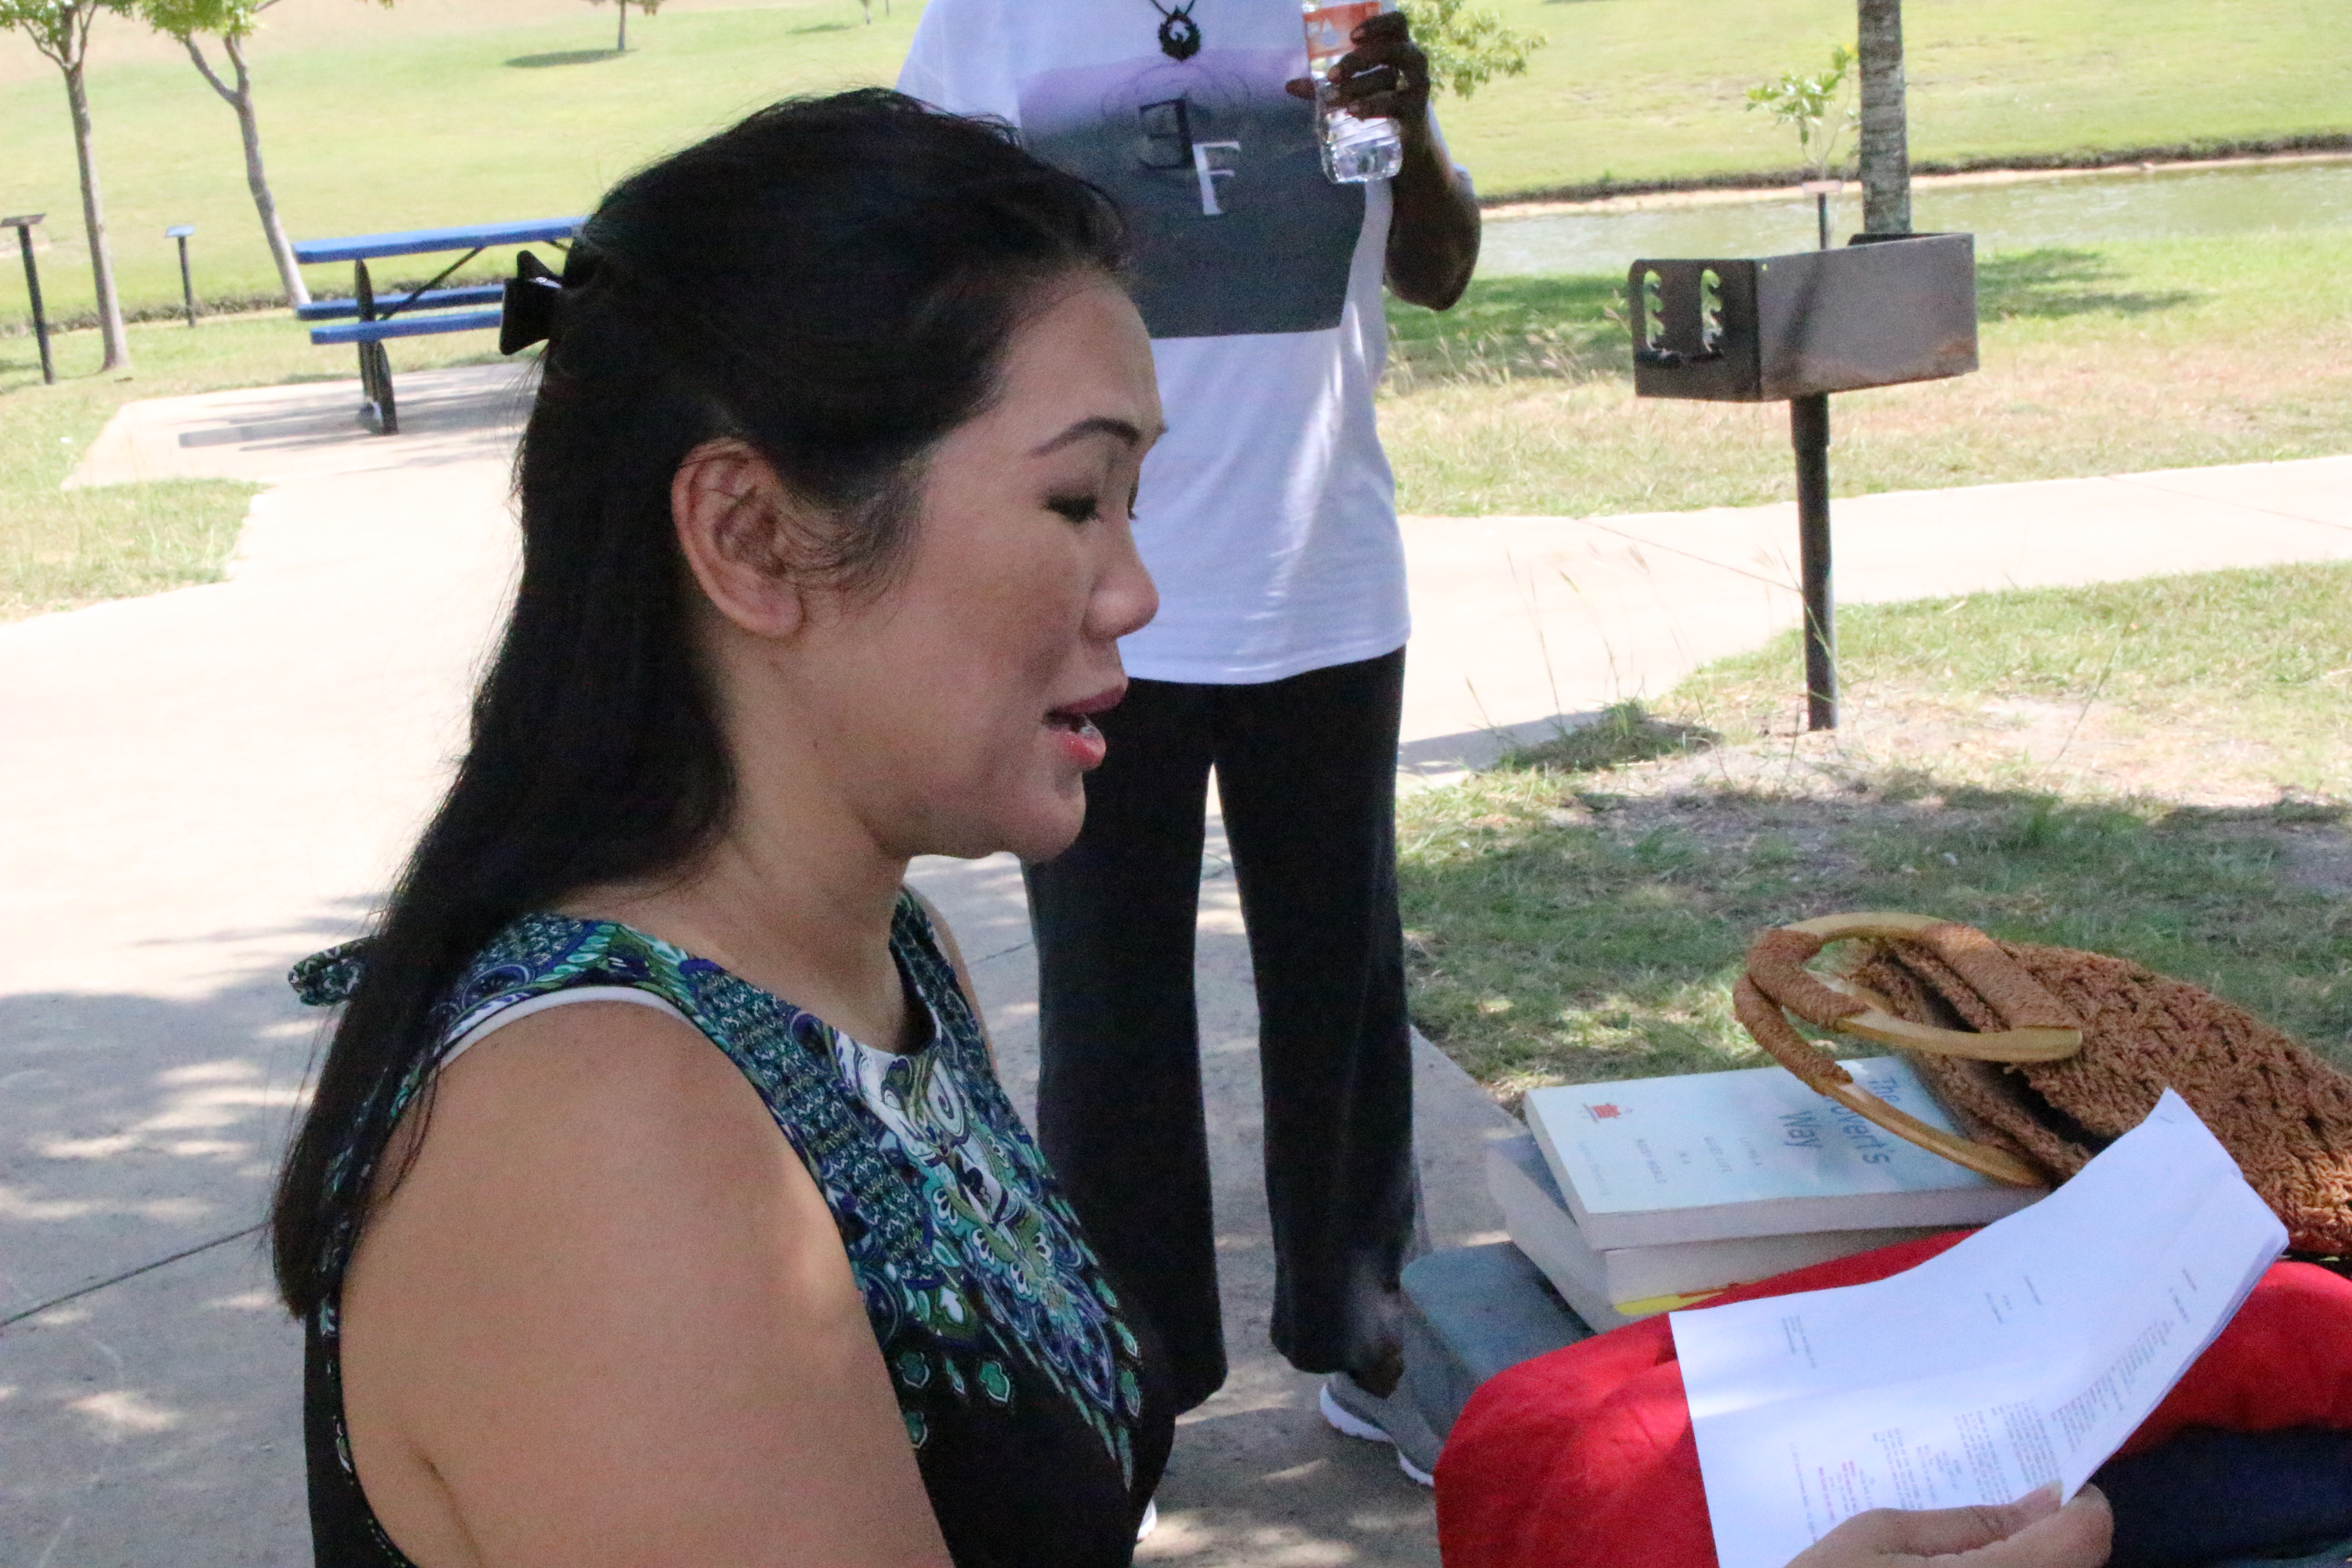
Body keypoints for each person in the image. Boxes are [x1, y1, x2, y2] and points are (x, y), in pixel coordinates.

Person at [269, 91, 1176, 1567]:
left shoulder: (889, 958)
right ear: (751, 536)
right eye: (1078, 499)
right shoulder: (603, 1128)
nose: (1135, 590)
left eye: (1135, 501)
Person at [897, 0, 1482, 1477]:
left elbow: (1440, 271)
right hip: (1090, 598)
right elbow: (917, 278)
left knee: (1345, 986)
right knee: (1111, 1003)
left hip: (1323, 583)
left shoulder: (1333, 9)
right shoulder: (994, 22)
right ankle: (1135, 1380)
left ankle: (1370, 1332)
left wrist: (1413, 130)